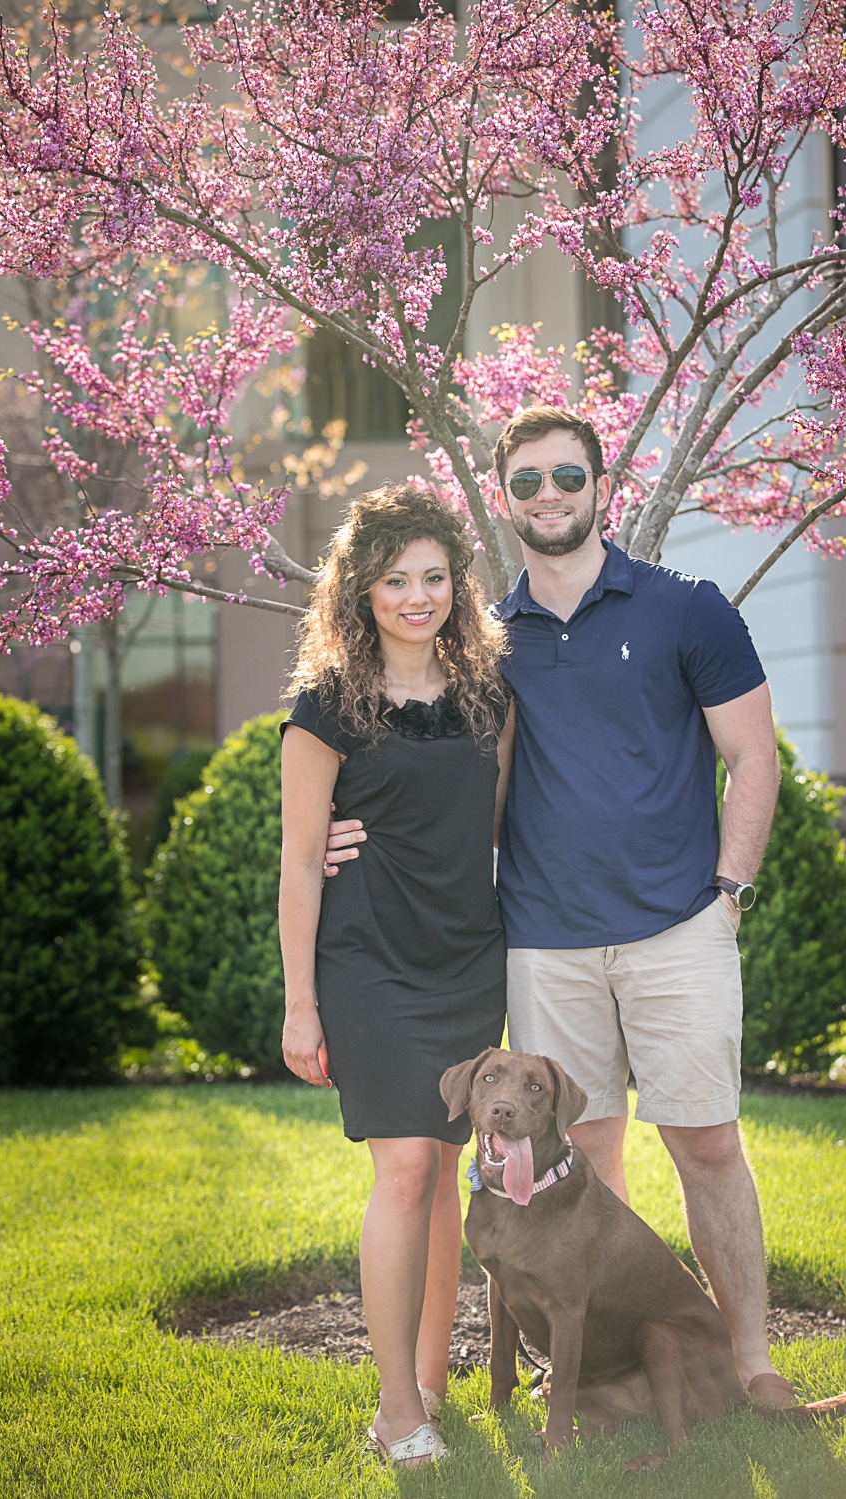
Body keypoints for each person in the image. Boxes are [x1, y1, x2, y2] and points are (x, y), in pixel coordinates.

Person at [326, 407, 797, 1411]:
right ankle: (600, 1369)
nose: (550, 496)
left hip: (679, 928)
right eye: (528, 481)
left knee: (707, 1139)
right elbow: (442, 784)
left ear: (601, 484)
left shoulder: (689, 608)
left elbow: (753, 754)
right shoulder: (485, 646)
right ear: (505, 499)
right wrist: (343, 826)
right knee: (588, 1154)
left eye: (567, 477)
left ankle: (751, 1359)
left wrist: (730, 893)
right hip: (543, 941)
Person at [279, 484, 514, 1467]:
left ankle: (430, 1380)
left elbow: (490, 830)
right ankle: (393, 1409)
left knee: (446, 1170)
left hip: (467, 955)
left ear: (458, 586)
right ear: (361, 591)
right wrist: (300, 1003)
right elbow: (299, 857)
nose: (417, 597)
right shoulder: (326, 705)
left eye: (434, 578)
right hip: (367, 957)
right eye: (395, 581)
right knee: (406, 1165)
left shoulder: (490, 698)